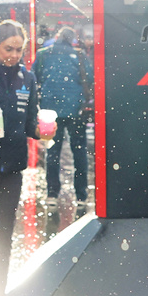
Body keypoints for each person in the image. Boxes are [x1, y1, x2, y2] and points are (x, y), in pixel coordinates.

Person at [0, 19, 39, 296]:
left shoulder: (27, 79)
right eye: (8, 49)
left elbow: (30, 123)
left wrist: (43, 130)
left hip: (13, 167)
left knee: (3, 235)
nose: (14, 55)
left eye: (19, 50)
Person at [33, 26, 91, 206]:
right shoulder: (79, 56)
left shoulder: (43, 54)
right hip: (76, 111)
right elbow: (89, 78)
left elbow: (34, 78)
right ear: (72, 39)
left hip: (50, 111)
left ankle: (52, 194)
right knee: (79, 150)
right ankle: (81, 195)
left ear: (57, 37)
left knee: (53, 151)